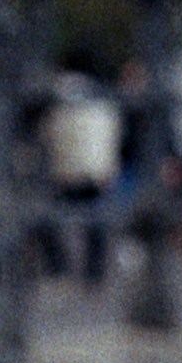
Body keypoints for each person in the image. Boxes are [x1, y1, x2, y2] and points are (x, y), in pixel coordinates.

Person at [41, 69, 122, 285]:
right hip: (95, 170)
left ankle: (59, 268)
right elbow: (111, 135)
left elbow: (50, 133)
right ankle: (93, 273)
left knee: (50, 217)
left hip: (66, 171)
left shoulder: (58, 99)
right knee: (95, 223)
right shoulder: (102, 101)